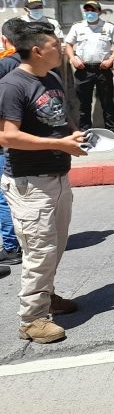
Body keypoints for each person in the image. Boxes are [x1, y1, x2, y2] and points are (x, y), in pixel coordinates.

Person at [0, 21, 87, 343]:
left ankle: (47, 296)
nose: (62, 49)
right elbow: (7, 136)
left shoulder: (49, 77)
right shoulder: (13, 85)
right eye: (55, 44)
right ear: (37, 50)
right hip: (31, 182)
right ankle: (32, 318)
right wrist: (59, 145)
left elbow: (56, 119)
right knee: (39, 250)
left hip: (58, 176)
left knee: (54, 246)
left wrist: (72, 137)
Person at [65, 0, 114, 133]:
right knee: (84, 103)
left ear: (99, 12)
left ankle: (111, 130)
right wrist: (73, 59)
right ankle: (85, 130)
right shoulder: (77, 27)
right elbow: (68, 44)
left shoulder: (108, 27)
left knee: (107, 101)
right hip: (83, 69)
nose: (90, 13)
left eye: (93, 10)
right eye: (87, 10)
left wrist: (111, 59)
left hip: (103, 69)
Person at [0, 18, 26, 271]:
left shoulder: (5, 65)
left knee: (4, 197)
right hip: (28, 142)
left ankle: (11, 246)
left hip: (7, 140)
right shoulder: (36, 64)